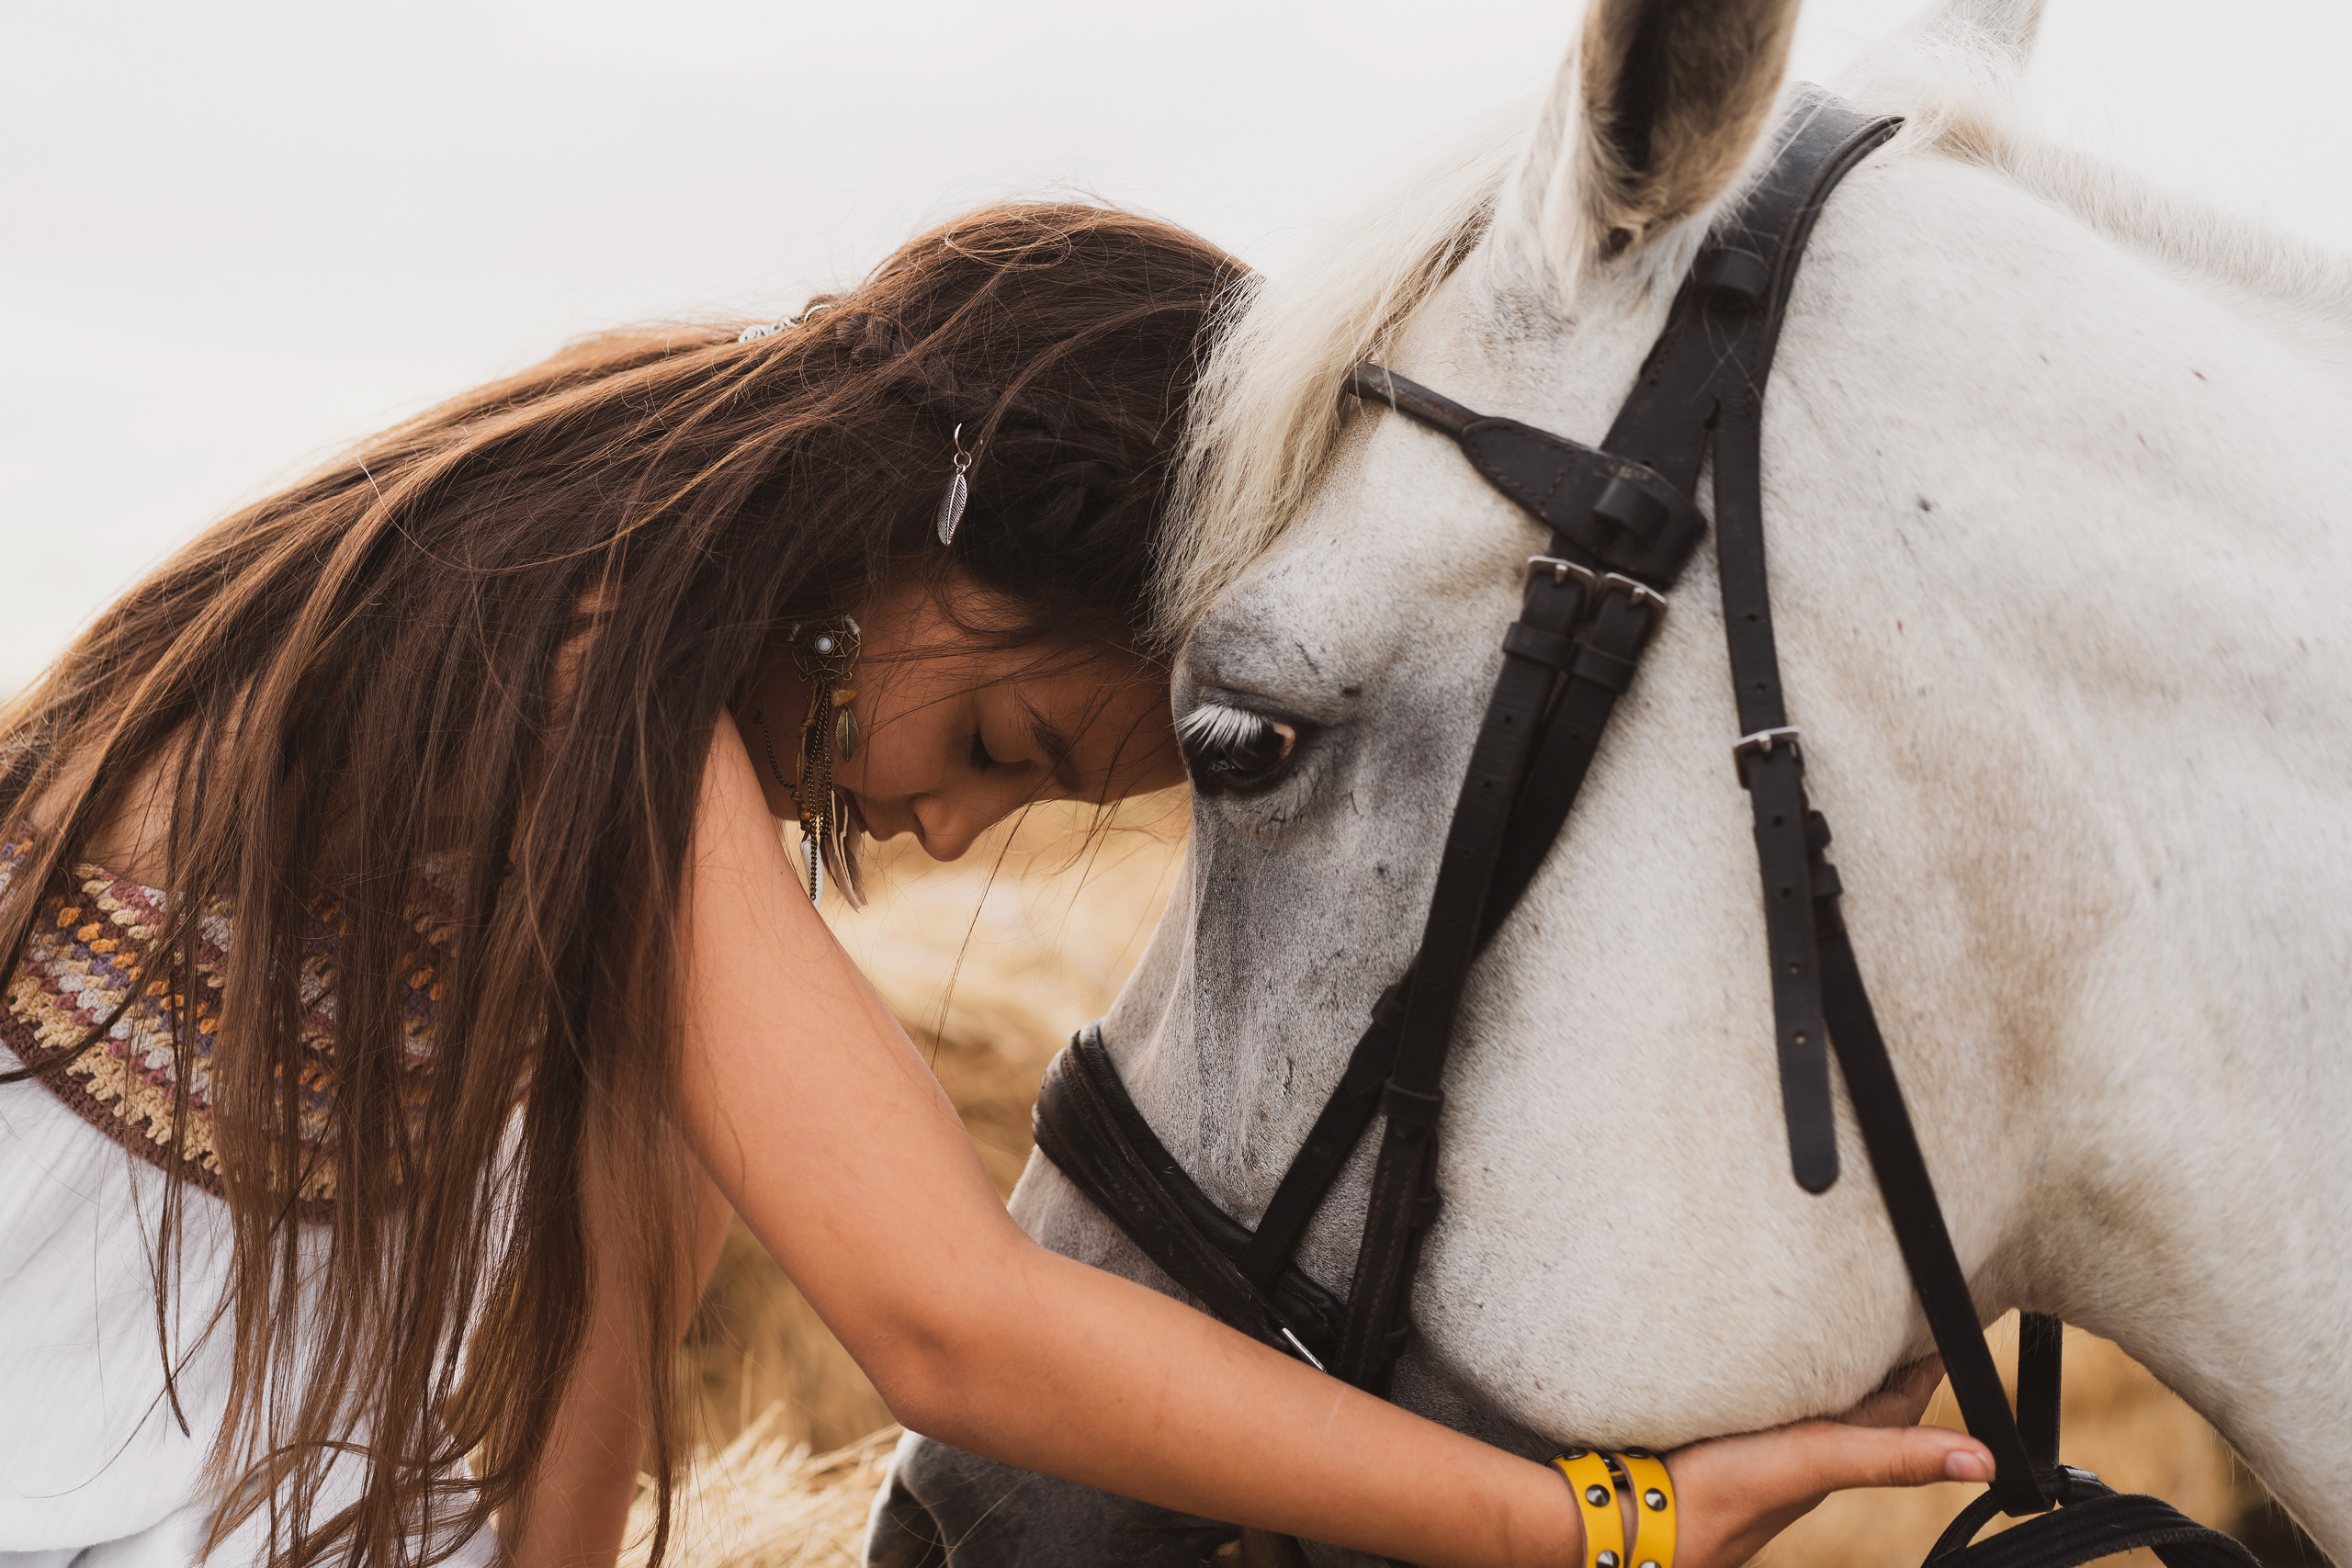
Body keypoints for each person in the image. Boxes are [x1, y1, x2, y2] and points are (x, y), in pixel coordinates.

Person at [0, 202, 1989, 1568]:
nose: (944, 839)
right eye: (1005, 748)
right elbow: (941, 1321)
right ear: (923, 531)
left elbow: (590, 1395)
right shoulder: (574, 643)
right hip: (66, 1453)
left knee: (669, 1133)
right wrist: (1587, 1521)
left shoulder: (623, 597)